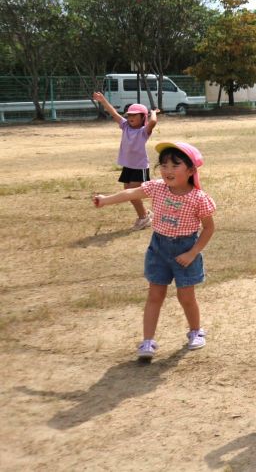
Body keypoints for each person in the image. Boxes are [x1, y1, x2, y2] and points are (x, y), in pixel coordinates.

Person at [93, 142, 216, 361]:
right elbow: (132, 192)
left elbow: (209, 228)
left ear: (190, 171)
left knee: (186, 296)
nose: (167, 170)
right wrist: (105, 200)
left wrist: (192, 253)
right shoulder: (157, 187)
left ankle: (196, 330)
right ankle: (147, 341)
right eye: (164, 165)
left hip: (185, 249)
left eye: (175, 165)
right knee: (154, 294)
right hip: (158, 248)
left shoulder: (198, 198)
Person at [92, 91, 159, 230]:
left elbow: (153, 121)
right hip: (128, 166)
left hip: (139, 167)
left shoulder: (143, 131)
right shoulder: (125, 127)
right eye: (129, 114)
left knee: (131, 193)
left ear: (142, 117)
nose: (131, 117)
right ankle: (145, 215)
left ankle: (144, 218)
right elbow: (113, 113)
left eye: (135, 115)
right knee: (129, 194)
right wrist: (103, 100)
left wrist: (153, 112)